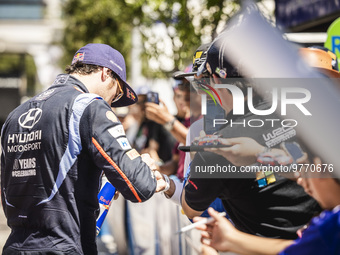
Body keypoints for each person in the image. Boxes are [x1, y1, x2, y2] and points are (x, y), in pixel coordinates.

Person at [0, 43, 168, 255]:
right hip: (64, 247)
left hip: (15, 247)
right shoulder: (89, 106)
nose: (113, 102)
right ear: (106, 73)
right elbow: (140, 186)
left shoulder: (16, 115)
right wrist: (143, 167)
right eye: (116, 94)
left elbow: (12, 192)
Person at [180, 33, 321, 239]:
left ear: (217, 79)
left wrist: (196, 156)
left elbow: (190, 208)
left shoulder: (219, 145)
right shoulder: (310, 115)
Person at [194, 155, 340, 255]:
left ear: (320, 167)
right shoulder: (329, 224)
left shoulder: (331, 228)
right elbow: (300, 248)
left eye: (305, 167)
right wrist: (232, 239)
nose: (300, 179)